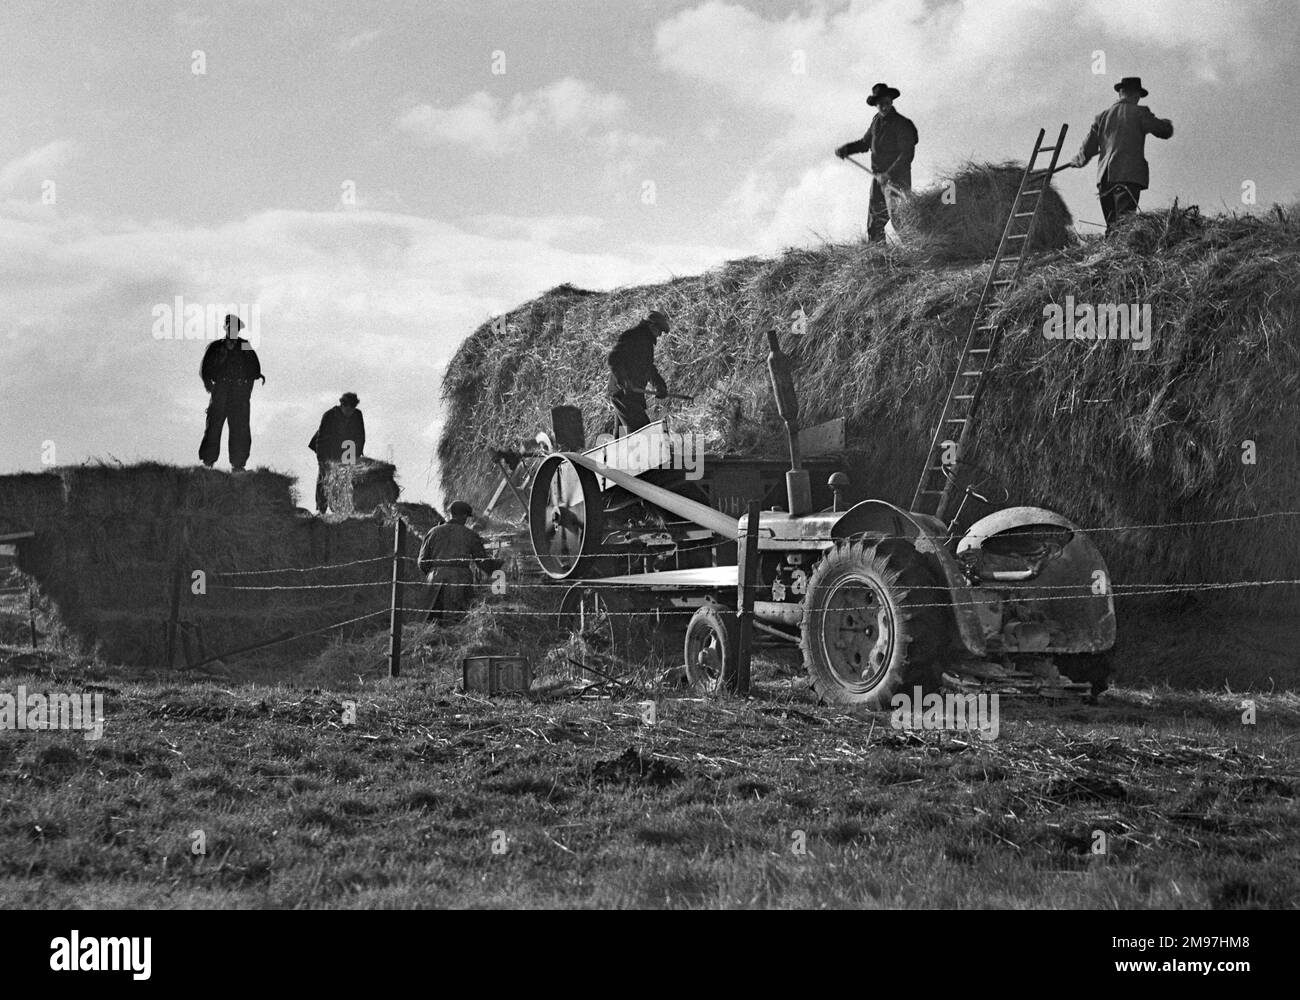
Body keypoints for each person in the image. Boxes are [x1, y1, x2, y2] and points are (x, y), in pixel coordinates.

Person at [1069, 76, 1174, 234]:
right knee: (1125, 225)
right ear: (1136, 95)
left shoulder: (1102, 117)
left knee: (1112, 226)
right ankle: (1118, 255)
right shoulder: (1140, 112)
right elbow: (1163, 131)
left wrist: (1077, 160)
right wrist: (1167, 123)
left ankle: (1110, 255)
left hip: (1104, 178)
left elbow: (1087, 149)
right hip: (1127, 175)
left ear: (1120, 93)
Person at [835, 82, 919, 244]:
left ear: (891, 102)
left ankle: (919, 251)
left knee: (899, 218)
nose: (884, 107)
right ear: (875, 105)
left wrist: (889, 174)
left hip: (897, 179)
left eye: (886, 102)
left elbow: (907, 154)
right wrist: (846, 149)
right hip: (878, 179)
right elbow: (865, 143)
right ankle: (879, 258)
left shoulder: (902, 124)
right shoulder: (876, 122)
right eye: (880, 104)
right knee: (875, 222)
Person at [417, 501, 501, 624]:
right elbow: (482, 562)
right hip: (459, 579)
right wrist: (498, 566)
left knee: (431, 620)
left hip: (434, 578)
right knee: (457, 621)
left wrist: (435, 572)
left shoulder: (433, 532)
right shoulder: (470, 535)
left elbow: (422, 561)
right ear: (463, 516)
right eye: (466, 517)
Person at [198, 314, 264, 471]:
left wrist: (251, 382)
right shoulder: (215, 347)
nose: (233, 330)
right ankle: (208, 462)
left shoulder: (245, 345)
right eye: (230, 327)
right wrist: (210, 386)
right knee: (214, 425)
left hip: (239, 393)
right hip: (221, 390)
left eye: (236, 328)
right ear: (225, 328)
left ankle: (238, 464)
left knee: (240, 427)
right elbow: (205, 369)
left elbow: (255, 365)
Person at [607, 310, 670, 435]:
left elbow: (648, 367)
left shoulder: (646, 343)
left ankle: (618, 454)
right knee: (643, 432)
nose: (659, 335)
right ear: (651, 326)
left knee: (622, 437)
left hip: (631, 395)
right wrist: (624, 381)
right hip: (623, 394)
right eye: (659, 331)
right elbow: (613, 359)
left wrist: (659, 385)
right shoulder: (632, 337)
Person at [309, 392, 366, 513]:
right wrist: (322, 461)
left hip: (346, 448)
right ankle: (321, 508)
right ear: (342, 406)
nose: (350, 413)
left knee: (346, 477)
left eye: (352, 410)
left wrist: (357, 455)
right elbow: (321, 440)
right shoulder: (329, 415)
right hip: (327, 447)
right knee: (325, 476)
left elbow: (360, 436)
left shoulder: (357, 415)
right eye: (348, 410)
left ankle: (340, 508)